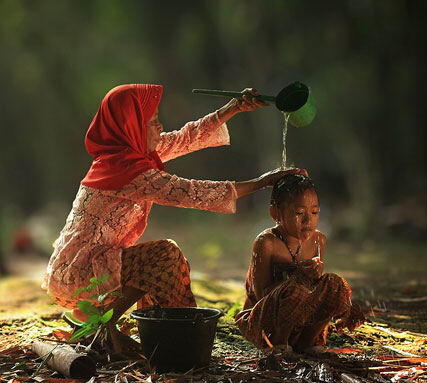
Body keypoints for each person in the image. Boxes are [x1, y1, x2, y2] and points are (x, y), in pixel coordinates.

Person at [42, 84, 304, 355]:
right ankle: (102, 322)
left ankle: (153, 332)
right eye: (153, 121)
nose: (160, 127)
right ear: (132, 127)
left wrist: (234, 108)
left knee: (170, 263)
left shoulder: (127, 155)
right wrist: (262, 182)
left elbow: (185, 138)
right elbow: (192, 192)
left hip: (83, 266)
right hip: (80, 273)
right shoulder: (127, 170)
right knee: (164, 255)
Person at [235, 174, 364, 355]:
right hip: (264, 320)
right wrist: (298, 277)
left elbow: (317, 292)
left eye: (314, 212)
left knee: (334, 283)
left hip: (301, 317)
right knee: (297, 289)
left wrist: (314, 276)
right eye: (299, 213)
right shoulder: (267, 243)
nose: (308, 220)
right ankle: (278, 345)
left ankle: (307, 342)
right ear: (276, 213)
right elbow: (261, 294)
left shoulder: (319, 240)